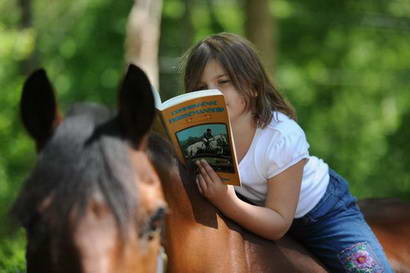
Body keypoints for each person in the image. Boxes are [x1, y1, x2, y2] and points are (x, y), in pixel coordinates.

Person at [182, 32, 393, 273]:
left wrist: (226, 201)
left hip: (321, 214)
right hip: (254, 208)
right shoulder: (200, 137)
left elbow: (279, 224)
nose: (212, 94)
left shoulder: (281, 136)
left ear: (251, 86)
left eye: (224, 81)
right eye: (201, 87)